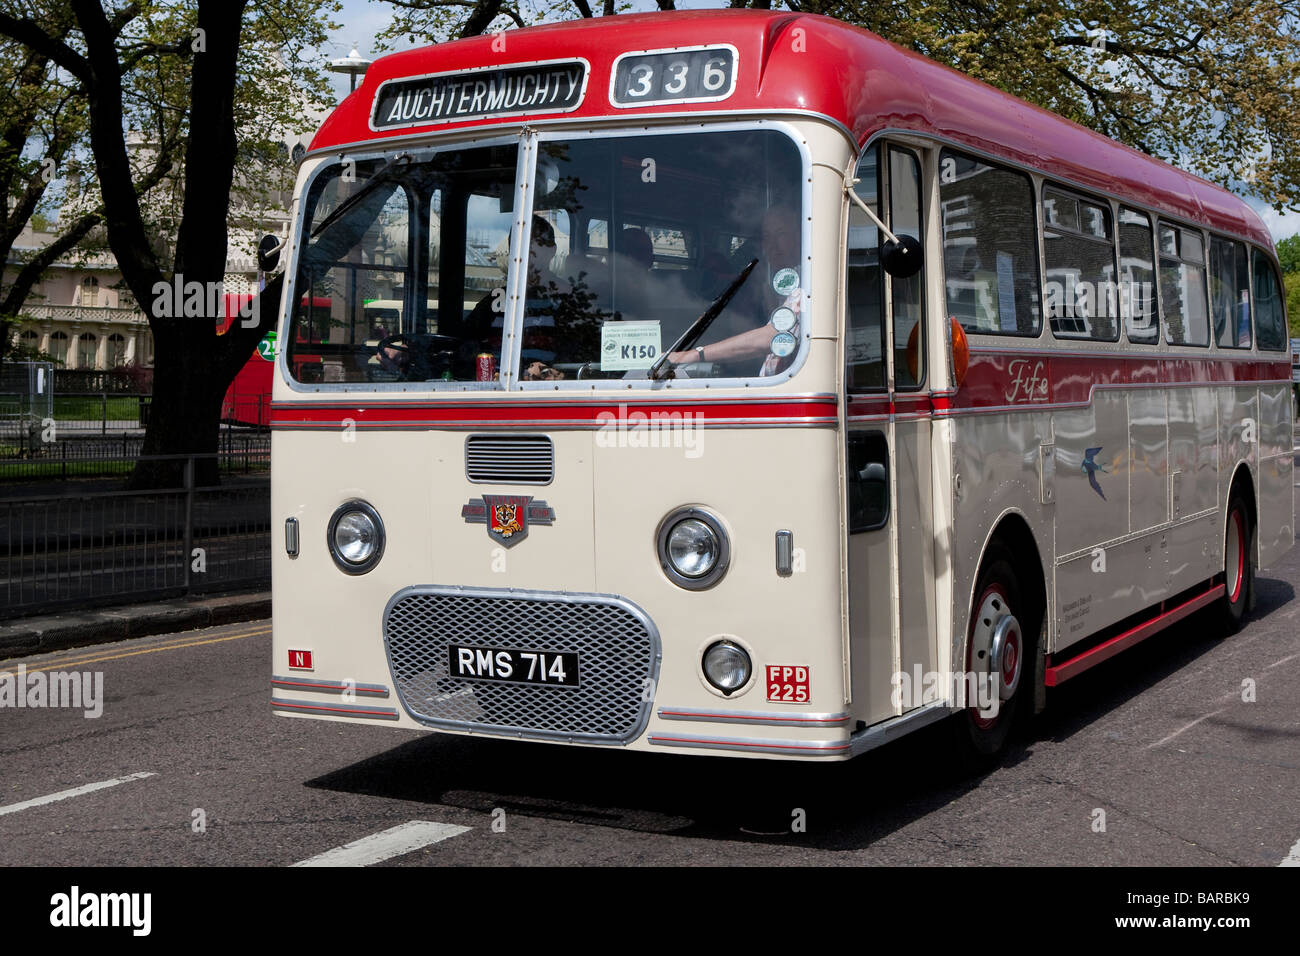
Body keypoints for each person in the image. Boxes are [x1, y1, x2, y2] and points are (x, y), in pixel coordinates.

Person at [665, 204, 801, 373]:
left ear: (799, 237)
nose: (772, 244)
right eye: (767, 237)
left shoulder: (805, 283)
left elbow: (773, 335)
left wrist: (693, 355)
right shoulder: (774, 284)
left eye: (781, 234)